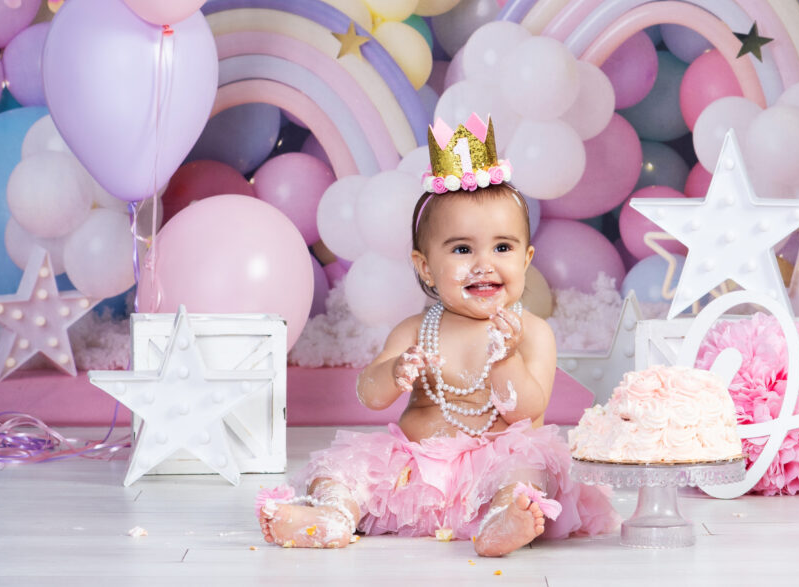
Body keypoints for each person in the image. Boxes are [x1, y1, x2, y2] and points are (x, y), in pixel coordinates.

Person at [256, 114, 617, 556]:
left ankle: (503, 519)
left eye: (502, 247)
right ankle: (332, 514)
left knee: (529, 470)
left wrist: (505, 359)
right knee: (339, 468)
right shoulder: (415, 330)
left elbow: (529, 411)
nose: (484, 263)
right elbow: (370, 393)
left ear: (526, 259)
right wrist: (394, 371)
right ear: (426, 266)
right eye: (462, 249)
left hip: (493, 468)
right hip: (414, 476)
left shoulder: (530, 334)